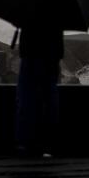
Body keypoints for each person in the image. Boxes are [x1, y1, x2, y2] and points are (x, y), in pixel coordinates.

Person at [15, 14, 64, 158]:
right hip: (51, 53)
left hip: (31, 53)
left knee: (27, 97)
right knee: (49, 98)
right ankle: (50, 142)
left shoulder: (28, 6)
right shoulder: (57, 9)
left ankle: (27, 142)